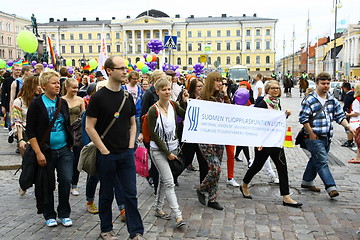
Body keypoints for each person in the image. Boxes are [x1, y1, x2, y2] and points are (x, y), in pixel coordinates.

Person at [86, 56, 145, 240]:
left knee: (131, 194)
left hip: (125, 154)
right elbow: (89, 126)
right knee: (106, 194)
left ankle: (136, 232)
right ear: (109, 70)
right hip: (107, 155)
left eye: (125, 68)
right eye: (121, 68)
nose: (125, 71)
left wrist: (130, 144)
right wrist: (103, 150)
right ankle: (106, 229)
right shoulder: (98, 97)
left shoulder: (127, 96)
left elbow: (132, 122)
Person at [241, 80, 302, 208]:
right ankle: (244, 184)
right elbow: (257, 122)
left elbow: (274, 121)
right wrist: (258, 141)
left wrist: (284, 115)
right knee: (256, 166)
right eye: (273, 88)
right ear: (267, 90)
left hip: (276, 142)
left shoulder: (276, 103)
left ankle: (286, 196)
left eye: (277, 88)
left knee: (282, 168)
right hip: (264, 143)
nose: (276, 90)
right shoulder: (263, 103)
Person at [26, 70, 74, 227]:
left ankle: (64, 213)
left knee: (66, 180)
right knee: (47, 184)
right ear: (44, 85)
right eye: (54, 83)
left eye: (58, 83)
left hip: (64, 149)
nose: (57, 85)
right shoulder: (36, 104)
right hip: (46, 151)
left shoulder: (63, 102)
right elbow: (31, 131)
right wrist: (38, 152)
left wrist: (70, 144)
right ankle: (49, 214)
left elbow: (67, 124)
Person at [299, 72, 355, 198]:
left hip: (327, 137)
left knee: (316, 159)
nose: (326, 86)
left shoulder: (331, 100)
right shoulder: (310, 99)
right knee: (322, 161)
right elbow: (303, 118)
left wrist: (349, 126)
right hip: (313, 136)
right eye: (323, 83)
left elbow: (339, 116)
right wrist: (311, 133)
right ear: (317, 84)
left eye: (328, 83)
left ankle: (306, 182)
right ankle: (331, 187)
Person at [148, 76, 187, 228]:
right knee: (169, 182)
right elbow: (154, 135)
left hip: (173, 148)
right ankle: (178, 216)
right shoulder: (153, 110)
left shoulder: (173, 104)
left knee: (165, 180)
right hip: (158, 151)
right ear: (157, 92)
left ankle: (158, 208)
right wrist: (167, 153)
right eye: (164, 89)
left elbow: (187, 115)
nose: (167, 91)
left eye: (169, 89)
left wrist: (185, 100)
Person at [196, 72, 229, 211]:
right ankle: (201, 188)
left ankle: (212, 198)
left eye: (221, 81)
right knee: (216, 168)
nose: (220, 83)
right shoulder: (201, 98)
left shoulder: (221, 97)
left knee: (216, 169)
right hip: (205, 138)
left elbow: (230, 111)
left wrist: (226, 95)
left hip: (219, 137)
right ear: (211, 82)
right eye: (217, 81)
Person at [175, 78, 208, 184]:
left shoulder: (205, 99)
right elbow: (182, 115)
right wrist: (185, 102)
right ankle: (173, 176)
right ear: (194, 88)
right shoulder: (186, 98)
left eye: (202, 86)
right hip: (189, 134)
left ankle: (203, 185)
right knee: (187, 159)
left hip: (201, 134)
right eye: (199, 86)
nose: (201, 89)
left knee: (203, 161)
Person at [62, 78, 86, 196]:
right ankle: (65, 182)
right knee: (65, 159)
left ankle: (74, 185)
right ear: (67, 87)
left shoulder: (80, 100)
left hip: (77, 134)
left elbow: (84, 117)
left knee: (77, 159)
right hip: (64, 132)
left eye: (77, 87)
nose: (76, 90)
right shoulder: (61, 100)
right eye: (73, 88)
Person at [121, 71, 144, 150]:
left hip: (137, 113)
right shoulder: (124, 88)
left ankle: (134, 150)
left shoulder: (140, 89)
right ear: (129, 79)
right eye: (134, 79)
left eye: (137, 79)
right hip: (126, 114)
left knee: (136, 135)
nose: (136, 80)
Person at [1, 64, 21, 129]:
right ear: (12, 70)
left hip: (20, 103)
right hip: (9, 103)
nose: (18, 71)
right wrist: (3, 106)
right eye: (16, 70)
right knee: (10, 123)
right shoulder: (7, 80)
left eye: (19, 70)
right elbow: (3, 93)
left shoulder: (21, 80)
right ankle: (10, 137)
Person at [347, 83, 360, 163]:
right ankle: (358, 157)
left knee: (358, 141)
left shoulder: (357, 100)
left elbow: (356, 112)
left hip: (356, 122)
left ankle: (358, 158)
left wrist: (348, 114)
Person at [341, 82, 355, 148]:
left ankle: (350, 141)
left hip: (349, 113)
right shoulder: (353, 94)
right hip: (352, 112)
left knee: (348, 126)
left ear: (344, 88)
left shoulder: (348, 95)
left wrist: (345, 112)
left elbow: (346, 105)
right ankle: (350, 140)